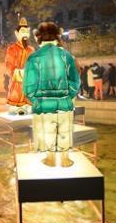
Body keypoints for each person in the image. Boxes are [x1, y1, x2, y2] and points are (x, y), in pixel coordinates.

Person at [23, 21, 80, 167]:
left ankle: (50, 159)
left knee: (47, 131)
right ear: (58, 36)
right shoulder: (66, 56)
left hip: (43, 103)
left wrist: (35, 100)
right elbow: (75, 80)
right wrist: (68, 96)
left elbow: (29, 85)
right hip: (64, 102)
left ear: (38, 37)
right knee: (64, 130)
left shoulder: (34, 58)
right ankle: (65, 159)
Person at [4, 17, 35, 114]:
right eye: (23, 32)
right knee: (16, 99)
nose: (25, 34)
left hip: (29, 83)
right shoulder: (12, 49)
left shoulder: (31, 50)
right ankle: (17, 108)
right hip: (17, 82)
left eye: (27, 32)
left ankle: (28, 107)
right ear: (16, 33)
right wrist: (19, 73)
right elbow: (8, 65)